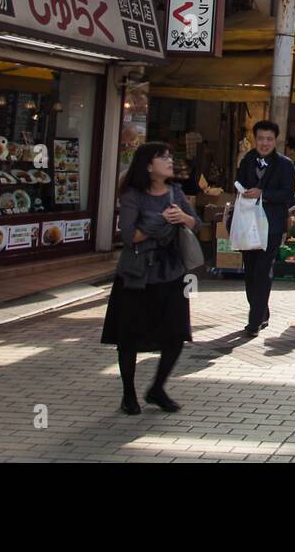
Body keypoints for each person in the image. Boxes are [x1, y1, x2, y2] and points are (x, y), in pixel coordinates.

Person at [102, 143, 200, 415]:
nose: (170, 161)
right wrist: (161, 222)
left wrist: (182, 217)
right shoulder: (132, 196)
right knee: (129, 336)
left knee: (176, 334)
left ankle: (157, 388)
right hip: (138, 274)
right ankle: (128, 394)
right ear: (148, 166)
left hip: (171, 272)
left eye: (170, 156)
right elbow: (129, 236)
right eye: (163, 157)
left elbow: (196, 224)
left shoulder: (175, 192)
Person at [235, 120, 295, 337]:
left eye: (269, 139)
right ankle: (262, 312)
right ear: (255, 138)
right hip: (248, 224)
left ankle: (254, 322)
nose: (264, 143)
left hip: (271, 226)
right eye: (261, 138)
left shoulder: (285, 164)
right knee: (250, 272)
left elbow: (288, 194)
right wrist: (243, 191)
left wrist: (263, 194)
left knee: (263, 271)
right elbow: (238, 183)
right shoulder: (247, 160)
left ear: (275, 140)